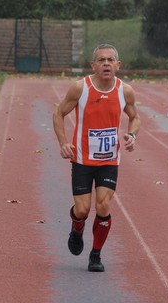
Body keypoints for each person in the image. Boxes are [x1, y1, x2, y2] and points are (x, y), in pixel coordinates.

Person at [53, 43, 140, 272]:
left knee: (103, 205)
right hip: (82, 159)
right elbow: (58, 113)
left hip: (109, 160)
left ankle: (96, 255)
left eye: (111, 60)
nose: (106, 64)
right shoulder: (80, 88)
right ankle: (77, 228)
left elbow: (135, 117)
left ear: (118, 65)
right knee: (82, 210)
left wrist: (132, 134)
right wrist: (63, 142)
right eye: (101, 60)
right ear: (93, 65)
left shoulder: (125, 91)